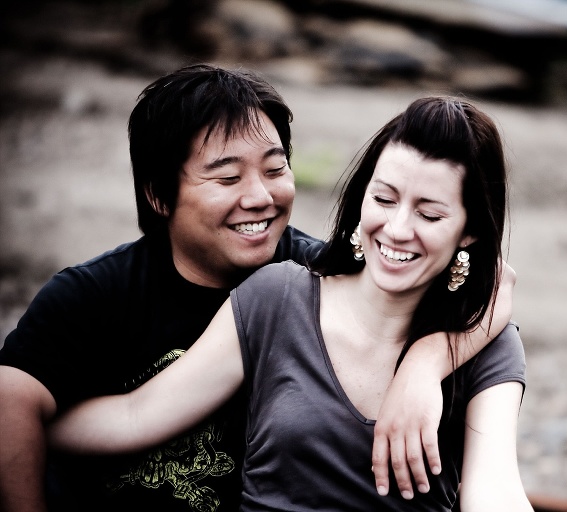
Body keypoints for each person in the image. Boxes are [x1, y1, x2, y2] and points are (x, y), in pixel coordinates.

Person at [0, 66, 515, 512]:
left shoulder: (316, 270)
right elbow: (77, 408)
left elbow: (492, 285)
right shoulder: (108, 293)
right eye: (227, 179)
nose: (260, 197)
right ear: (160, 195)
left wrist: (426, 364)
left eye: (275, 169)